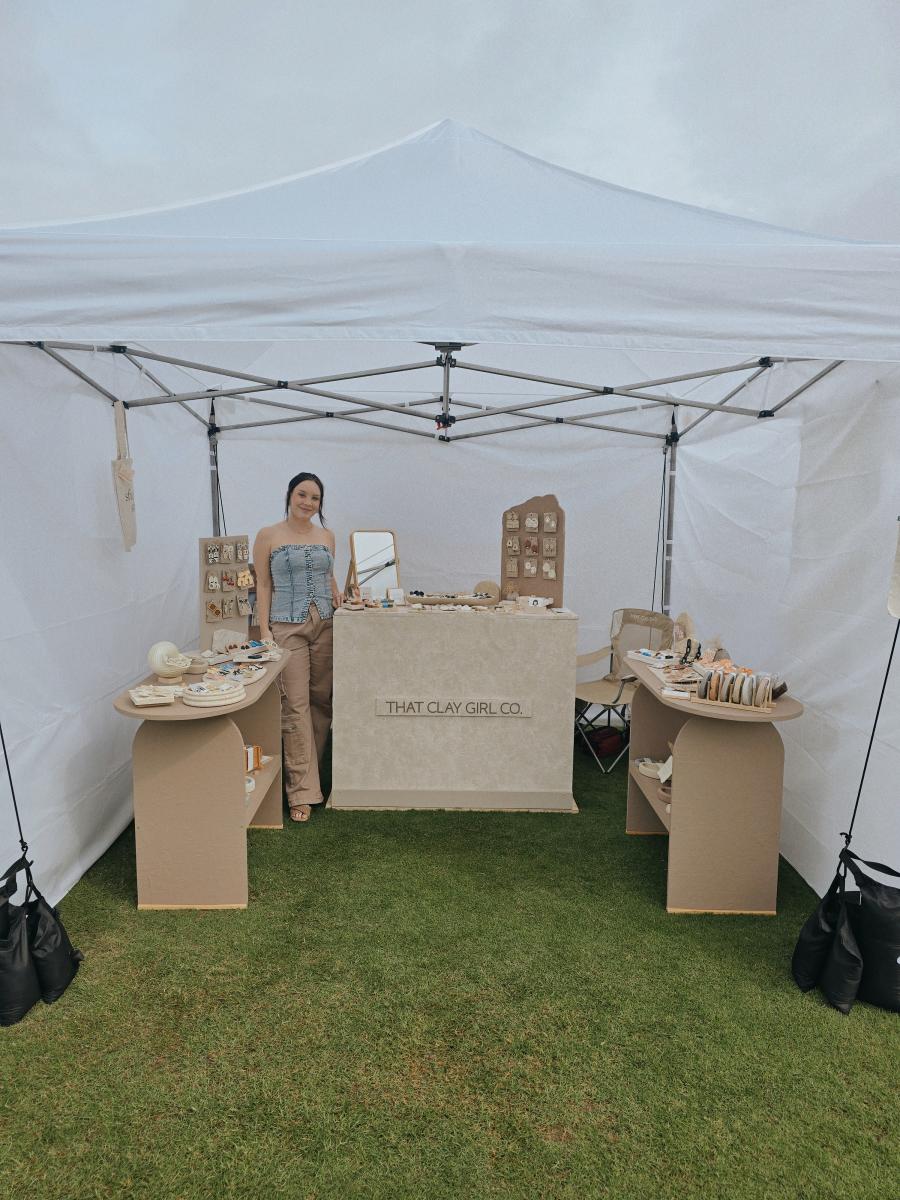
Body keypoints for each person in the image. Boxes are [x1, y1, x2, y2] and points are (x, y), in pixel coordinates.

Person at [253, 472, 342, 822]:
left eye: (315, 498)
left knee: (322, 700)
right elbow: (263, 585)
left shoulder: (327, 536)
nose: (308, 502)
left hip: (326, 624)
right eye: (302, 494)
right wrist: (265, 630)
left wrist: (336, 591)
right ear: (290, 495)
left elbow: (328, 574)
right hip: (286, 625)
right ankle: (301, 792)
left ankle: (310, 774)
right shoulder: (268, 535)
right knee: (295, 704)